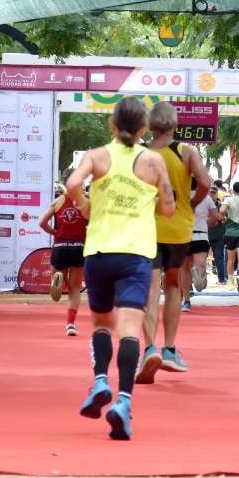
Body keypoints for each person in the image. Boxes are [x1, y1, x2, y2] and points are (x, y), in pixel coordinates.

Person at [66, 97, 175, 441]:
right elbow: (169, 208)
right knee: (129, 328)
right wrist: (146, 208)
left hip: (99, 250)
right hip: (136, 254)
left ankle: (100, 380)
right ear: (143, 129)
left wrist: (86, 205)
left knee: (100, 323)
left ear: (111, 125)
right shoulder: (154, 161)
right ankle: (124, 402)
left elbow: (71, 186)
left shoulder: (96, 156)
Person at [136, 102, 210, 381]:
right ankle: (169, 349)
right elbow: (205, 182)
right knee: (173, 285)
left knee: (151, 289)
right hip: (180, 229)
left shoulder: (141, 154)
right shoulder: (187, 151)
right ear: (176, 125)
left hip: (148, 229)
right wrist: (191, 204)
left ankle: (149, 349)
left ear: (150, 127)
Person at [39, 170, 89, 336]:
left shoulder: (58, 201)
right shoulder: (86, 203)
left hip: (60, 246)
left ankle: (58, 281)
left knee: (56, 293)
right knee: (75, 289)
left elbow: (41, 222)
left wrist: (55, 233)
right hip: (79, 247)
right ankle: (70, 324)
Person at [180, 177, 219, 311]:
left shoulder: (181, 196)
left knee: (184, 270)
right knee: (200, 263)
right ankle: (199, 275)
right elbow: (215, 217)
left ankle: (186, 301)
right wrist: (205, 222)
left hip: (184, 236)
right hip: (201, 235)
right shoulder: (206, 198)